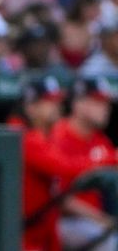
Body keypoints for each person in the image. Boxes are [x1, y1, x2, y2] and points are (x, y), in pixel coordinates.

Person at [8, 76, 111, 251]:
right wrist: (109, 158)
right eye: (49, 102)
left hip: (37, 233)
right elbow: (65, 167)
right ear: (31, 107)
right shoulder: (22, 137)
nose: (58, 107)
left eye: (57, 101)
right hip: (21, 236)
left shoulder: (42, 136)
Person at [51, 77, 118, 251]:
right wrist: (102, 219)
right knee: (107, 243)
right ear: (78, 104)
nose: (106, 109)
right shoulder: (58, 136)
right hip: (60, 220)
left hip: (91, 221)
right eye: (97, 102)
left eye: (106, 103)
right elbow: (59, 199)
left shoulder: (100, 141)